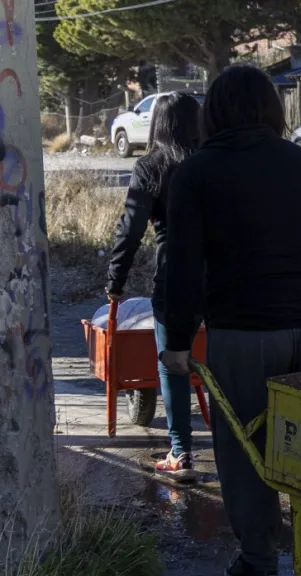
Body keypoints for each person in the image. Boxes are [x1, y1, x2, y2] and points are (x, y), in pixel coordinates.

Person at [160, 64, 301, 576]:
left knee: (245, 441)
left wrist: (177, 342)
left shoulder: (196, 173)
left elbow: (183, 268)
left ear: (213, 113)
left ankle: (259, 562)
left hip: (246, 328)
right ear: (272, 109)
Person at [105, 92, 202, 480]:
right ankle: (239, 449)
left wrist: (116, 279)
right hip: (222, 274)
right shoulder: (212, 162)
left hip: (175, 275)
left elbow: (131, 229)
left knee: (172, 363)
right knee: (227, 361)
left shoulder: (151, 166)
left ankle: (181, 453)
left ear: (157, 125)